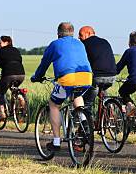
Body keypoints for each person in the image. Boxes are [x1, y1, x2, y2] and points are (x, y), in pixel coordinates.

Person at [31, 22, 92, 152]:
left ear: (58, 33)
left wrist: (36, 77)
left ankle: (56, 142)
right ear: (73, 33)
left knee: (53, 104)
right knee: (77, 95)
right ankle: (84, 121)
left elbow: (44, 64)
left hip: (67, 78)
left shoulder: (55, 44)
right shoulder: (80, 43)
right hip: (86, 77)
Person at [79, 26, 117, 110]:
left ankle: (86, 121)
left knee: (87, 101)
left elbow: (81, 62)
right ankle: (109, 113)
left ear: (88, 33)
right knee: (103, 92)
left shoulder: (84, 44)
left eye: (80, 35)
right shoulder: (105, 41)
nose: (79, 37)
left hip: (97, 77)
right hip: (112, 76)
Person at [0, 35, 26, 120]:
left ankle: (2, 113)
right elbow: (19, 60)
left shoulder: (0, 51)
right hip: (21, 74)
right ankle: (20, 97)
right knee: (14, 89)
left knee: (0, 93)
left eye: (0, 42)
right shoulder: (16, 50)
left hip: (8, 74)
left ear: (7, 42)